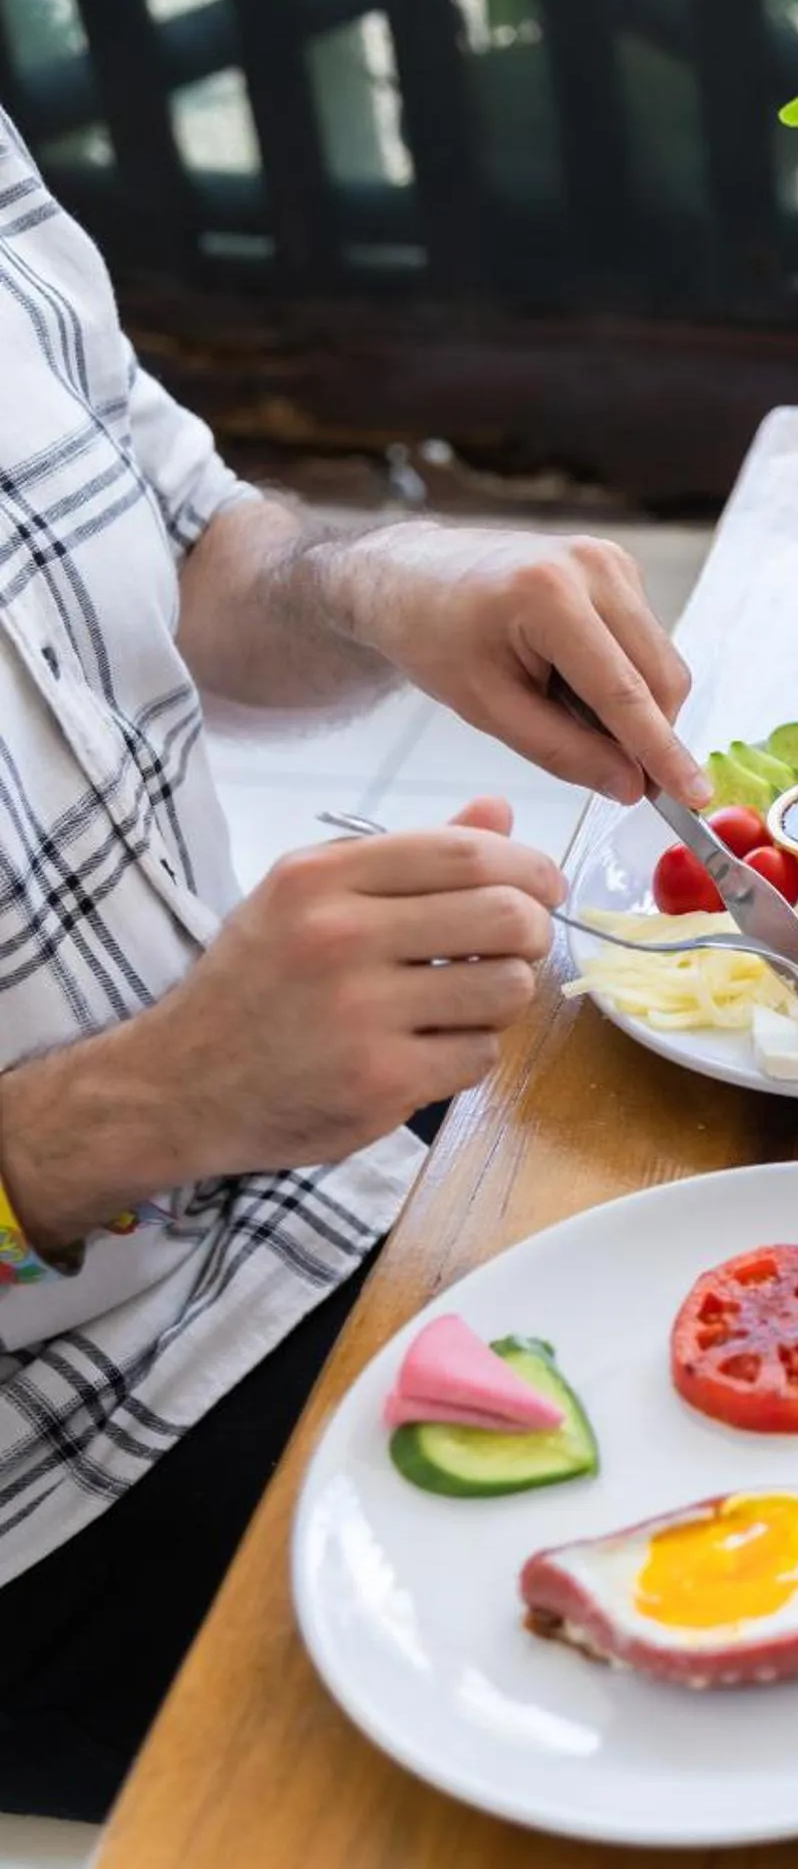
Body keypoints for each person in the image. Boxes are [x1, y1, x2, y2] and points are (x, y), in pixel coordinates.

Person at [0, 112, 711, 1819]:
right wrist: (115, 1114)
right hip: (64, 1485)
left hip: (319, 1192)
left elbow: (192, 549)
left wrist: (392, 580)